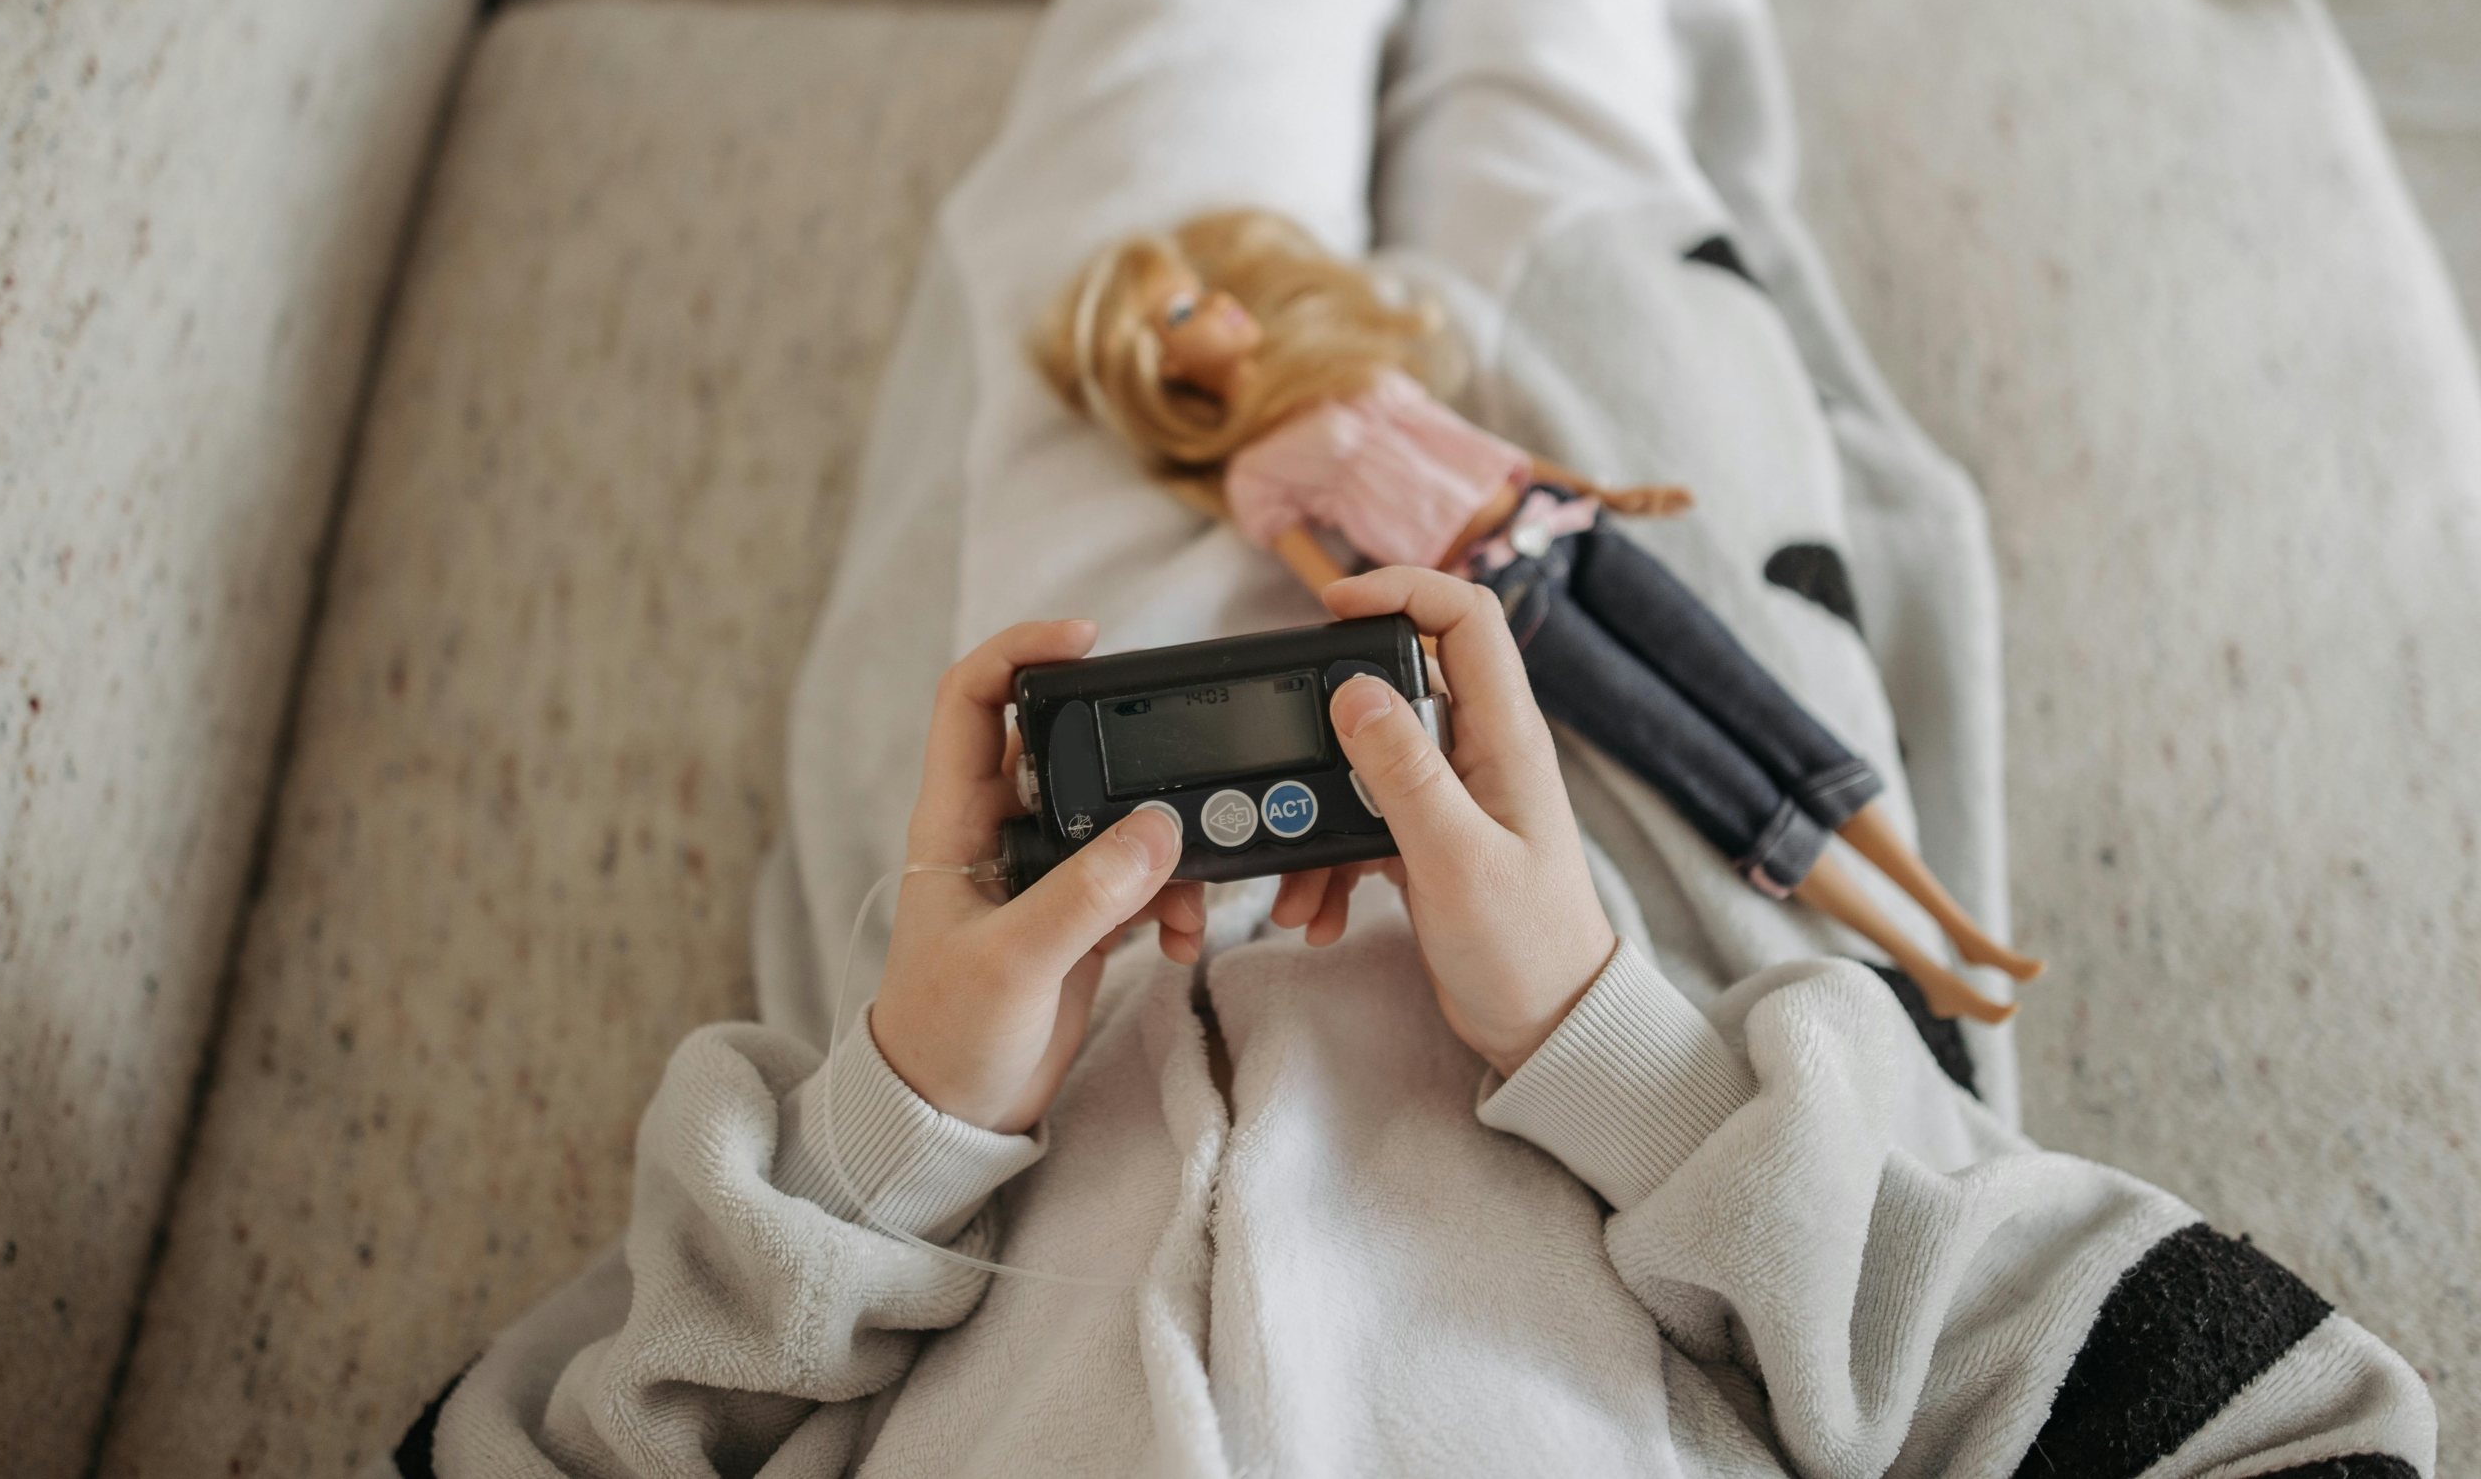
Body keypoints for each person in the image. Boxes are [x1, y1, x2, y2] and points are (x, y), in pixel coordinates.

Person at [407, 570, 2430, 1476]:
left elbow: (558, 1439)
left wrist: (895, 1128)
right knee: (1575, 147)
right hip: (1681, 918)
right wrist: (1613, 1038)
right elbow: (2284, 1420)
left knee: (1156, 95)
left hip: (966, 986)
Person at [1036, 206, 2041, 1021]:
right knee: (1700, 762)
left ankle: (1953, 917)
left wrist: (1604, 489)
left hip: (1563, 525)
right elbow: (1332, 591)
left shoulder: (1345, 374)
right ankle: (1918, 960)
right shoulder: (1258, 473)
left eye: (1201, 293)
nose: (1215, 309)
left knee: (1752, 696)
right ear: (1160, 371)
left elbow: (1480, 449)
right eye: (1179, 314)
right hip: (1504, 601)